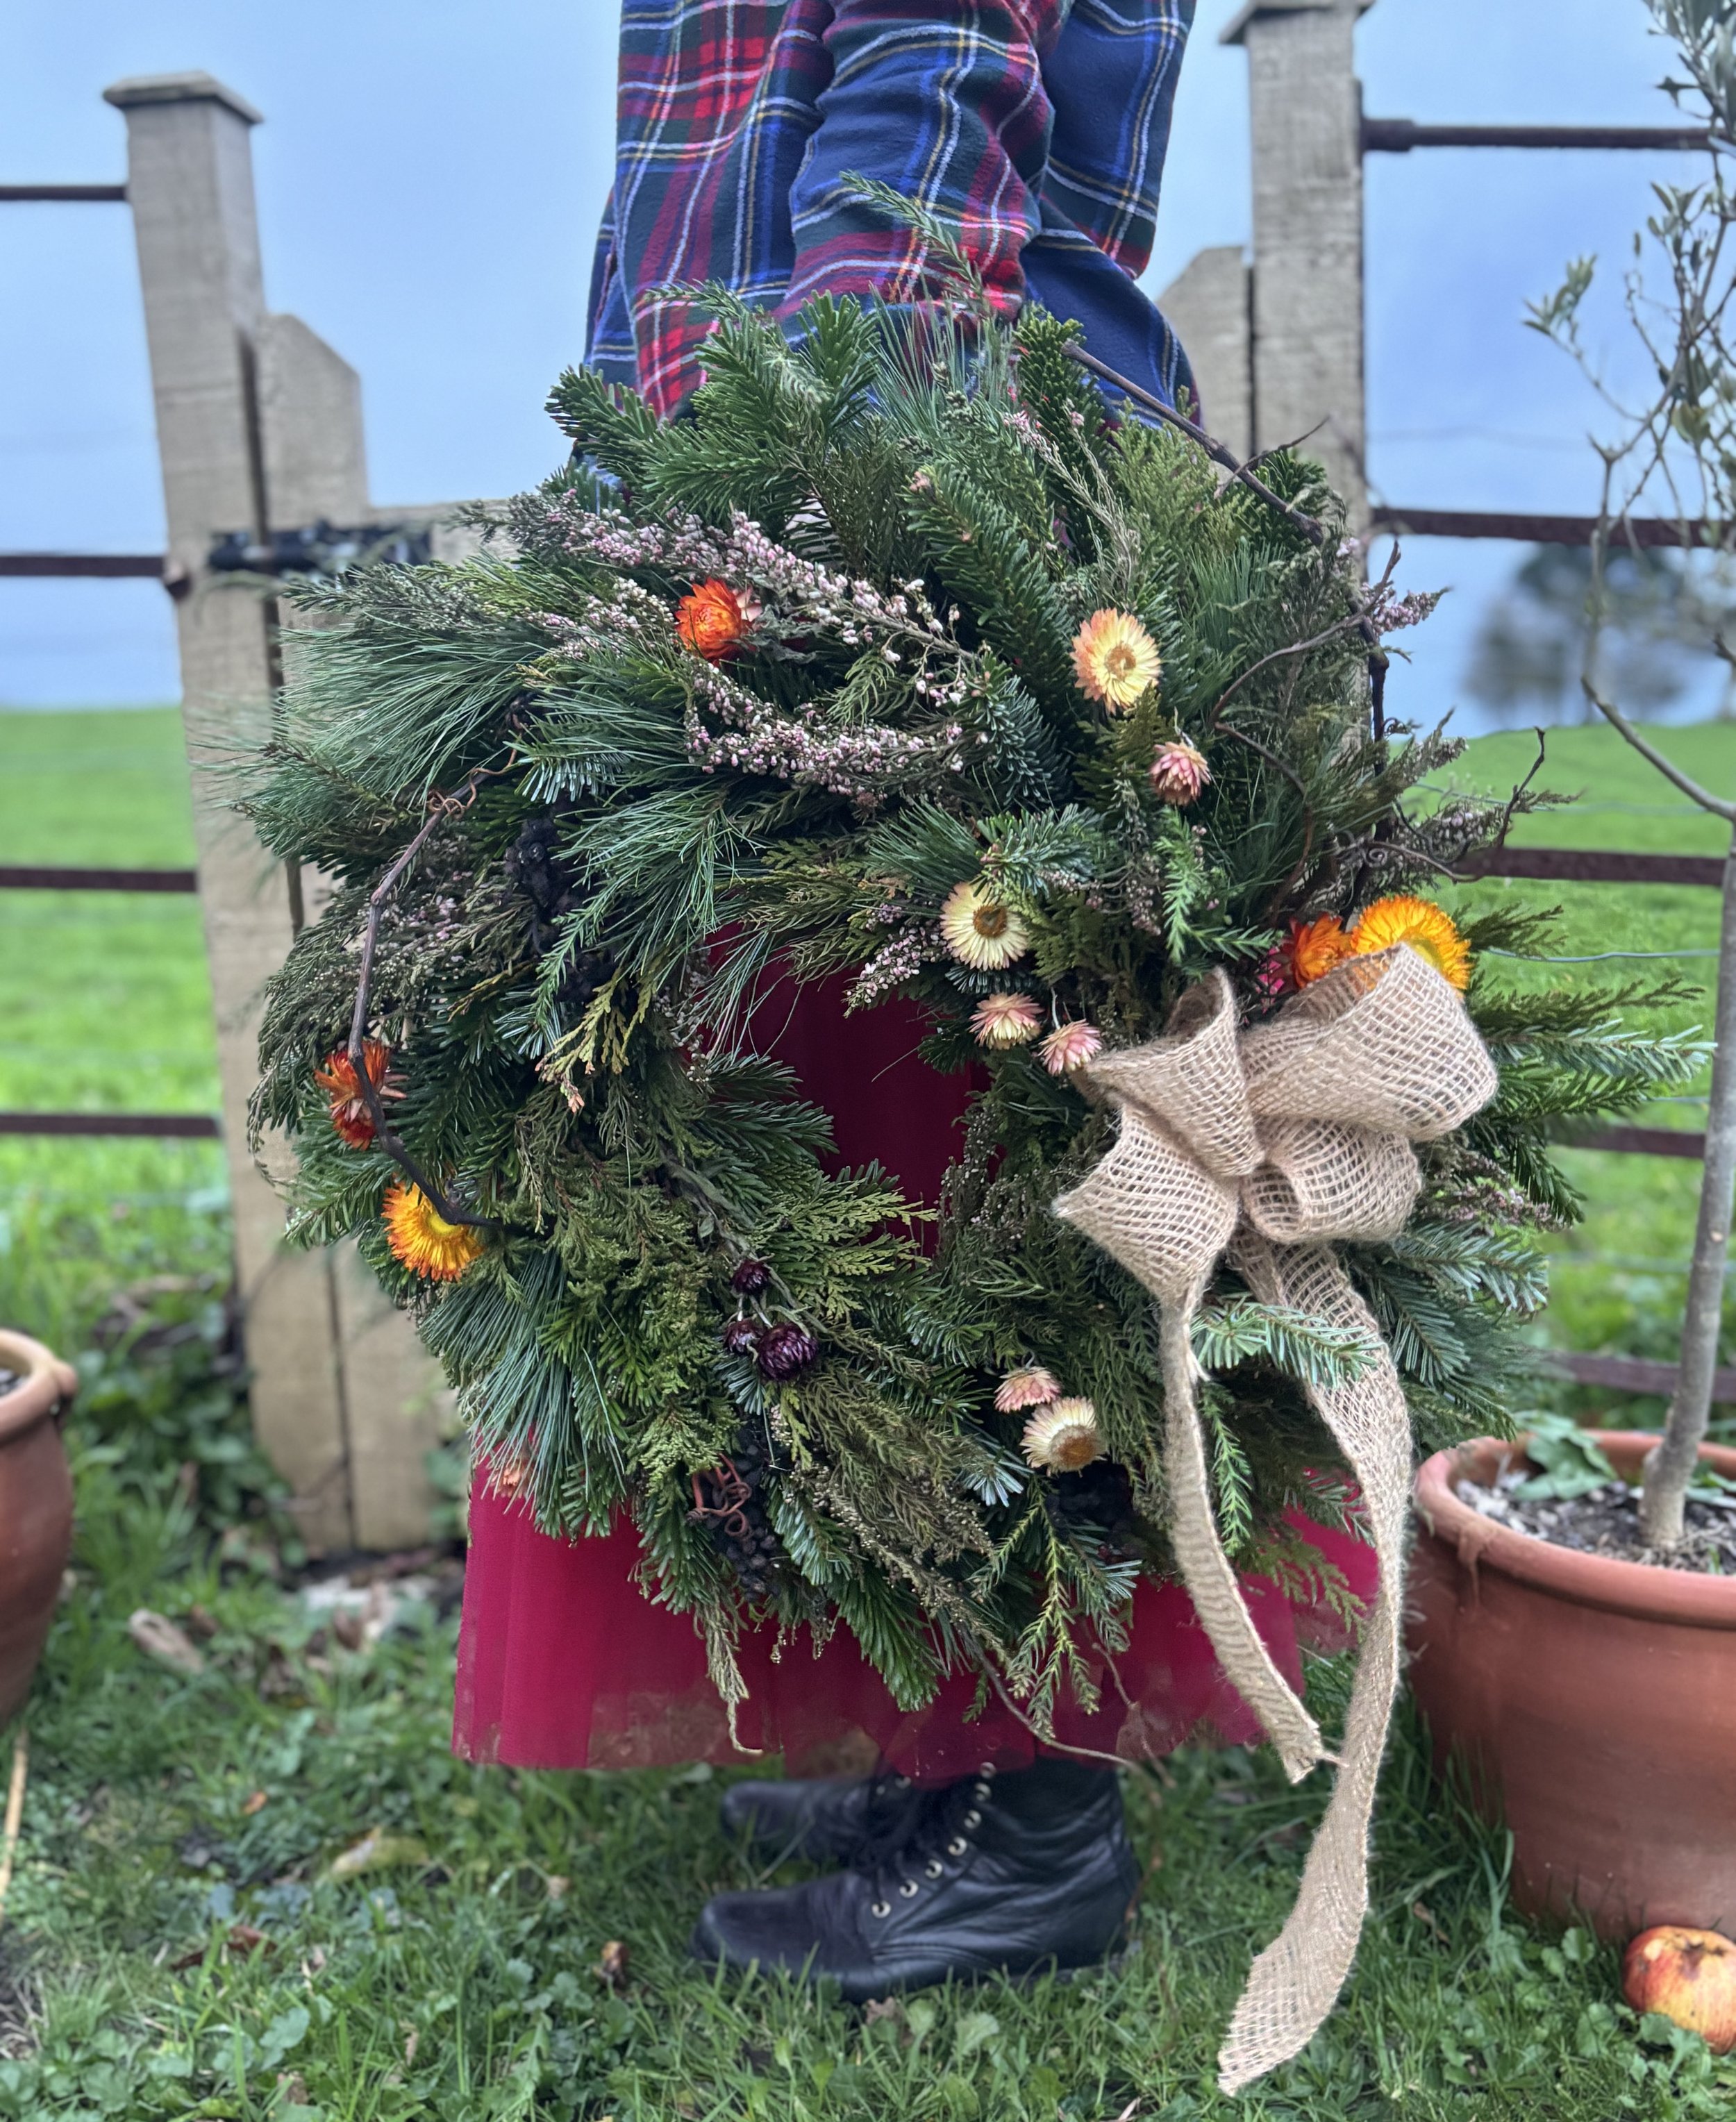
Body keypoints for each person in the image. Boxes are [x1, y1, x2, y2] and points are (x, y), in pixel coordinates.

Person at [454, 0, 1374, 1994]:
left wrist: (820, 501)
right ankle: (946, 1747)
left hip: (892, 503)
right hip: (795, 485)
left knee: (961, 1164)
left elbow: (930, 85)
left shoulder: (853, 488)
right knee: (871, 1160)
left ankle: (1026, 1817)